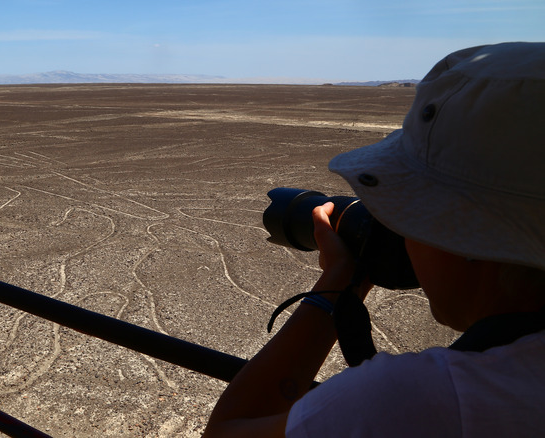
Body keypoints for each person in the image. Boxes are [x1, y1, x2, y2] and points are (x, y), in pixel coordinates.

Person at [203, 42, 545, 437]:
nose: (402, 234)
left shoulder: (430, 400)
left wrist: (336, 282)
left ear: (467, 240)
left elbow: (227, 431)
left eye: (408, 216)